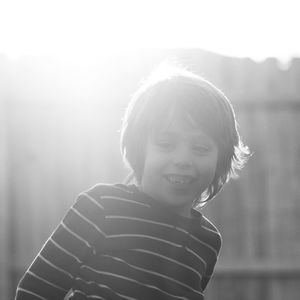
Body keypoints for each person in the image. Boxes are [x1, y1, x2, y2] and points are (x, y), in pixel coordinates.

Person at [15, 63, 250, 300]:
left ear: (220, 161)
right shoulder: (102, 206)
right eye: (166, 144)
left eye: (200, 148)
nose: (183, 160)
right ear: (140, 149)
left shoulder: (207, 241)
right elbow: (36, 289)